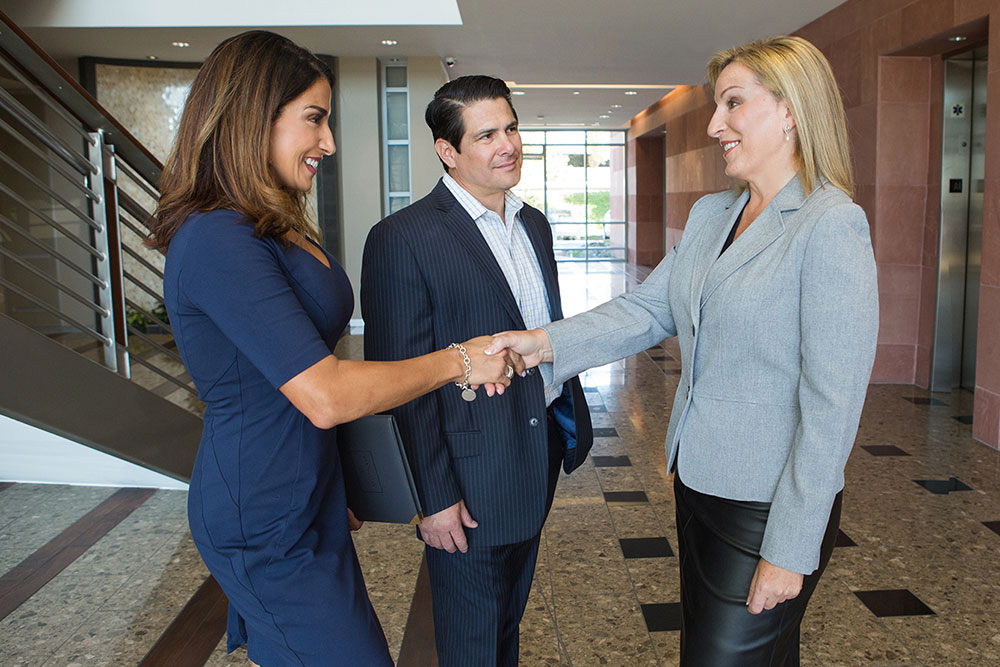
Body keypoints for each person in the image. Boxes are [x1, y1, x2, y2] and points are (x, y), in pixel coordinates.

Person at [487, 36, 878, 665]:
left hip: (766, 507)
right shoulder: (713, 215)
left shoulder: (829, 226)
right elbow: (649, 309)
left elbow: (832, 406)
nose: (716, 124)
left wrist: (790, 548)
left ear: (790, 112)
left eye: (732, 104)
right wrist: (542, 343)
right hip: (698, 483)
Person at [149, 32, 518, 666]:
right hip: (263, 515)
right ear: (250, 118)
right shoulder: (216, 239)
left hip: (308, 492)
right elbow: (323, 393)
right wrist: (459, 359)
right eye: (314, 119)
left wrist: (333, 481)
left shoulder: (266, 223)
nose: (329, 142)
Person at [360, 75, 593, 666]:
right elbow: (400, 380)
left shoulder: (533, 224)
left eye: (510, 128)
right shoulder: (402, 239)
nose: (507, 144)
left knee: (506, 625)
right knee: (470, 644)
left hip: (535, 456)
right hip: (466, 478)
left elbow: (547, 328)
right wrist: (434, 497)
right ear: (449, 151)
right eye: (486, 134)